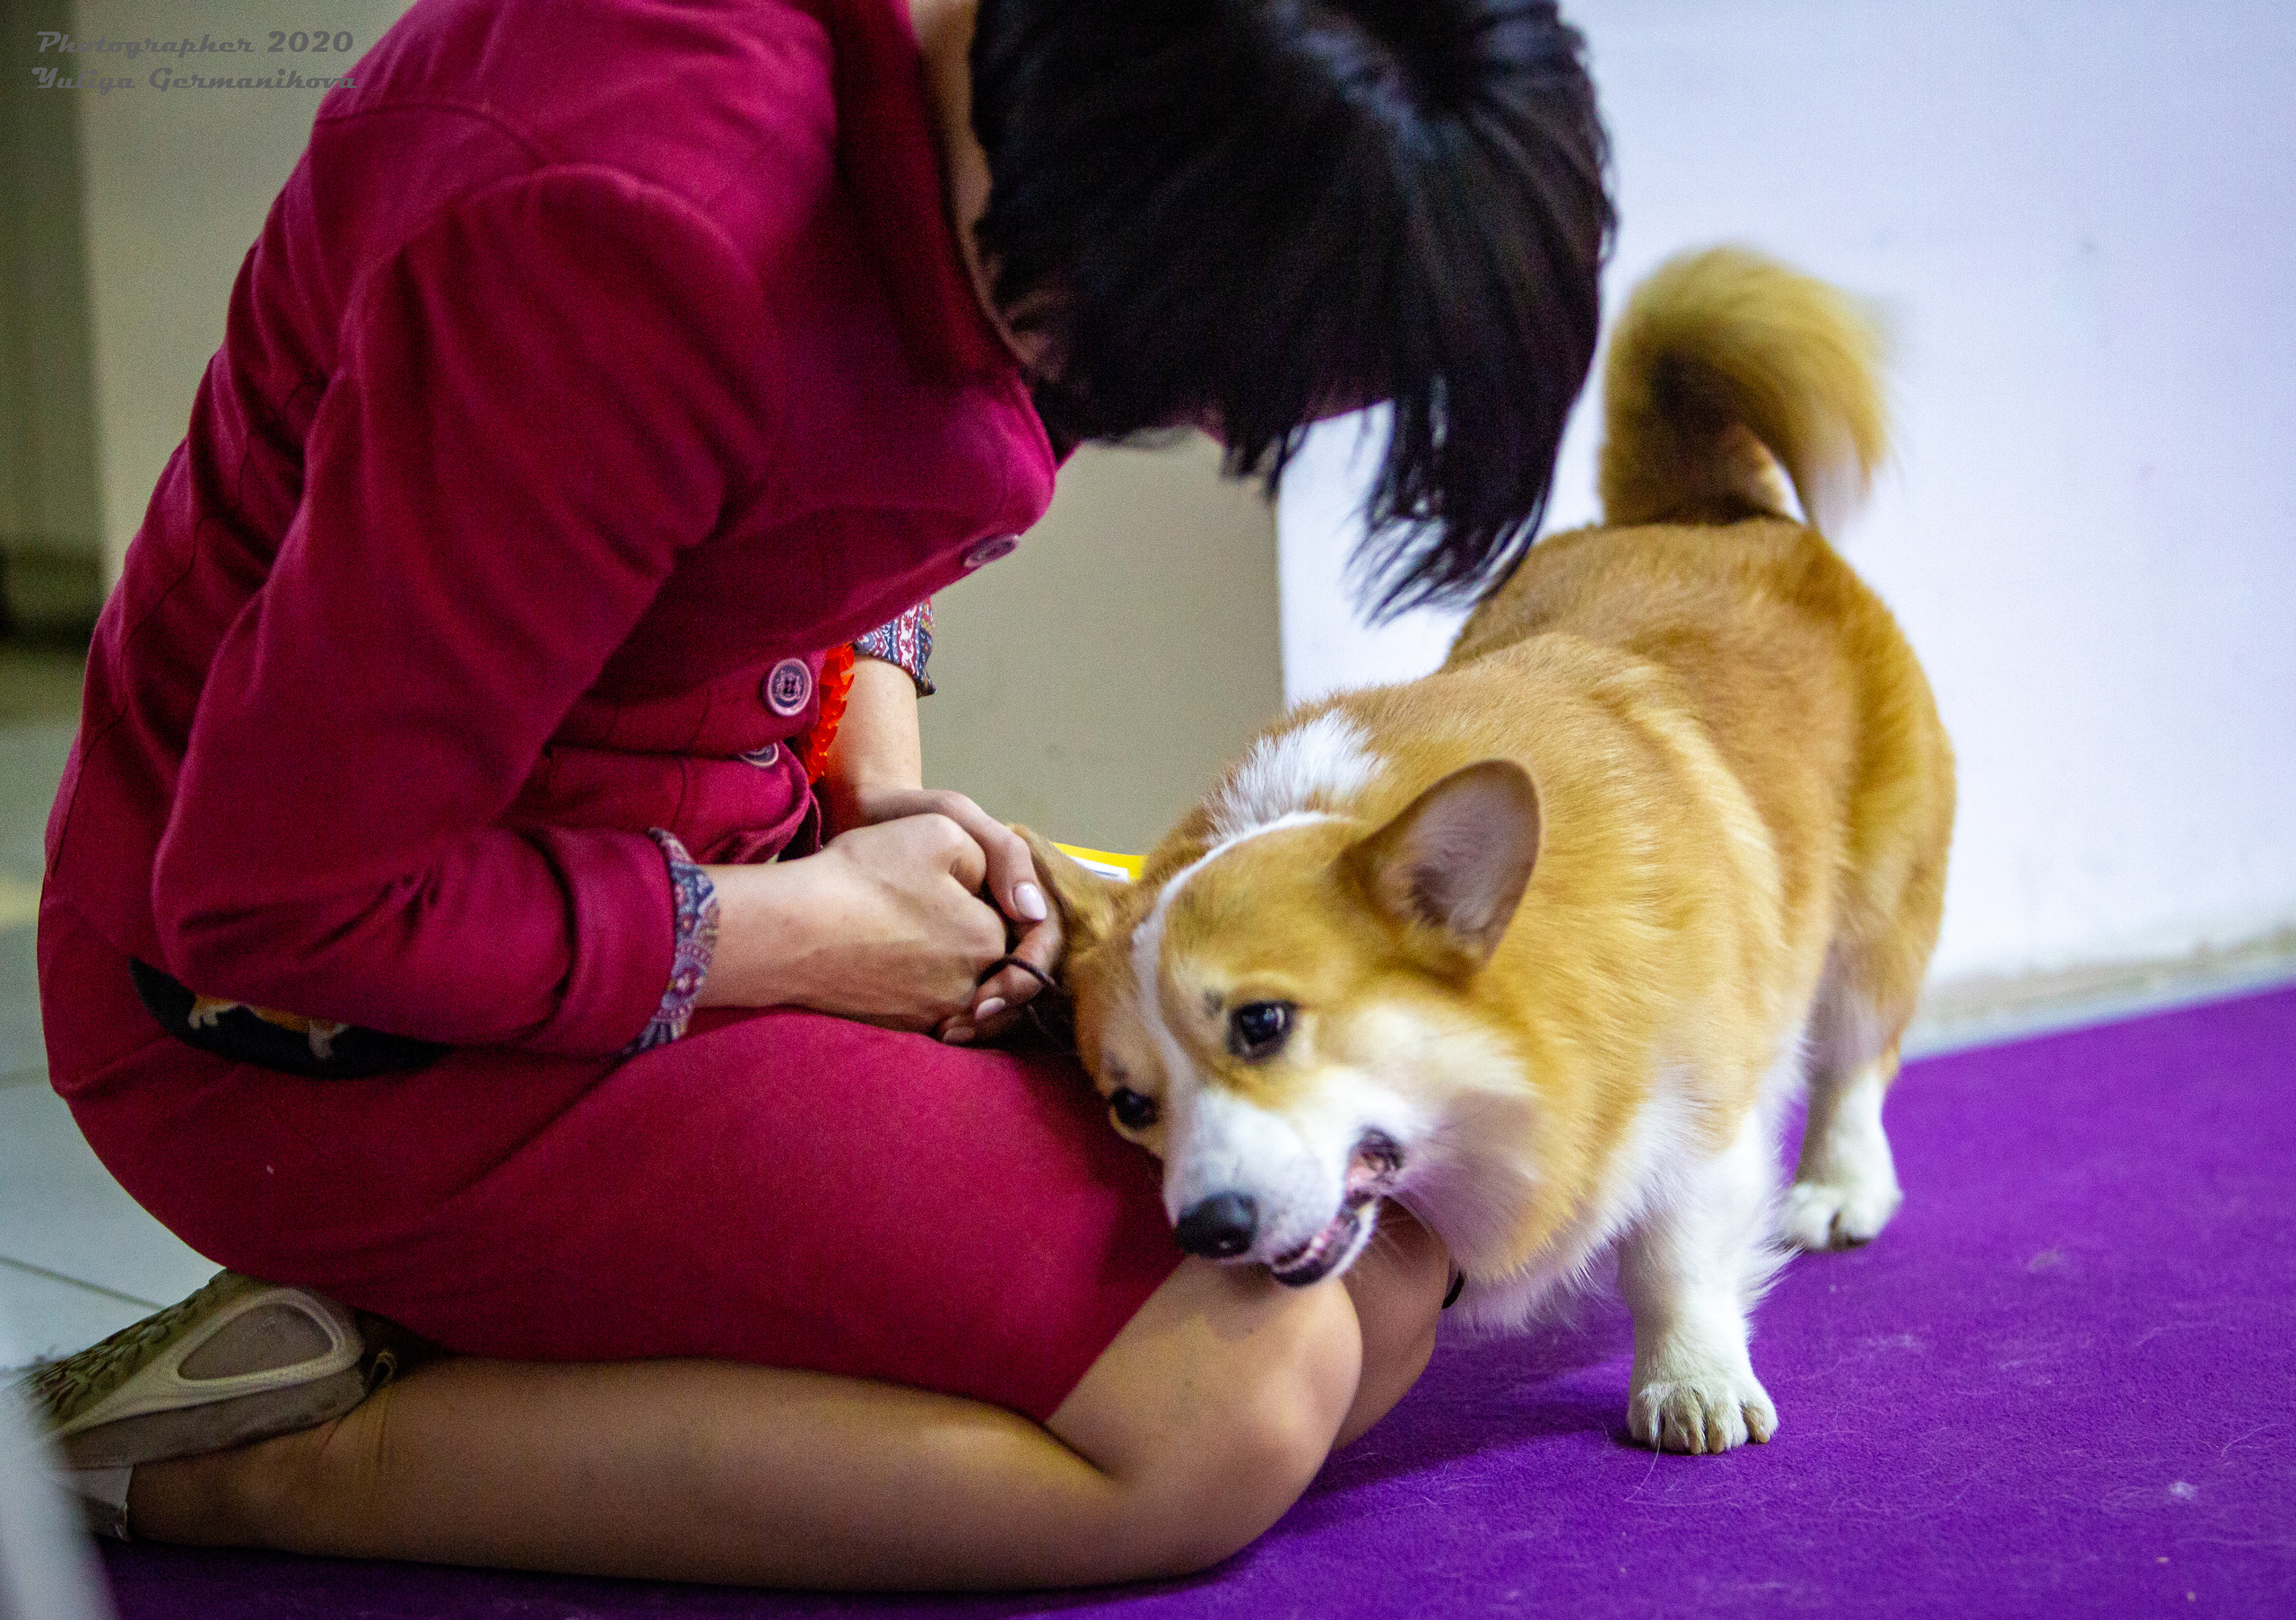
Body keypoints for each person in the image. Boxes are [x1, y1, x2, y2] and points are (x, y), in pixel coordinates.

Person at [22, 0, 1611, 1588]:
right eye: (1233, 384)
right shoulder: (629, 234)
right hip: (304, 1032)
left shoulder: (981, 139)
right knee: (1231, 1408)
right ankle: (268, 1465)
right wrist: (778, 934)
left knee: (1382, 1260)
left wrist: (874, 782)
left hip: (683, 864)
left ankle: (506, 1359)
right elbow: (275, 898)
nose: (1213, 424)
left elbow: (811, 499)